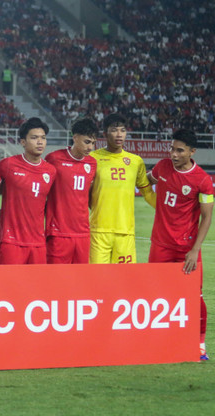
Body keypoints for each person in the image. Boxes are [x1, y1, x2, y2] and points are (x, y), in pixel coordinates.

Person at [147, 129, 213, 360]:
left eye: (180, 150)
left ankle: (199, 343)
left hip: (185, 249)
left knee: (195, 296)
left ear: (192, 152)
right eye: (172, 149)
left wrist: (195, 250)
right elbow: (149, 179)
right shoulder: (162, 167)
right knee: (155, 294)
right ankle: (159, 342)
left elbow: (207, 217)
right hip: (159, 245)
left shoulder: (203, 180)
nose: (173, 154)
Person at [89, 113, 155, 264]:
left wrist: (167, 210)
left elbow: (148, 193)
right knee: (96, 281)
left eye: (123, 130)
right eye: (114, 130)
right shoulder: (92, 158)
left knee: (124, 281)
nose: (119, 135)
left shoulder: (135, 161)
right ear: (105, 133)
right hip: (98, 232)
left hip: (125, 232)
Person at [0, 117, 56, 265]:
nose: (40, 142)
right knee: (9, 286)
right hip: (11, 241)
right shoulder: (7, 165)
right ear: (23, 142)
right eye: (34, 138)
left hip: (38, 243)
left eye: (43, 138)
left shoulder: (51, 171)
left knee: (36, 287)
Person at [45, 118, 98, 264]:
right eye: (87, 142)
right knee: (56, 280)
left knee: (80, 280)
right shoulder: (54, 159)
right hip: (58, 232)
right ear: (75, 137)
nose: (90, 147)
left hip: (83, 233)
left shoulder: (92, 163)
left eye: (93, 143)